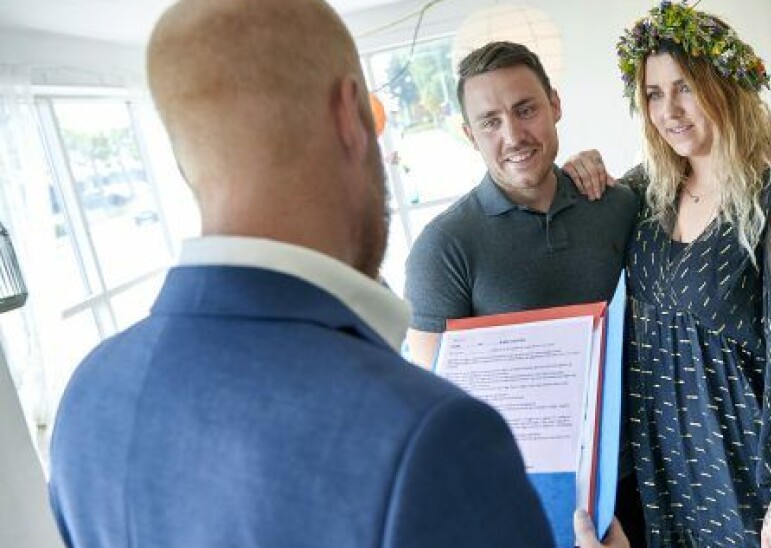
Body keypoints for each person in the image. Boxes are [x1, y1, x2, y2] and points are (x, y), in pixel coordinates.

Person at [47, 2, 625, 547]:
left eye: (525, 110)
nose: (513, 133)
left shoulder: (86, 401)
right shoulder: (433, 435)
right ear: (352, 116)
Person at [565, 2, 771, 546]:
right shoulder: (647, 190)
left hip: (770, 474)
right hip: (682, 474)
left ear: (725, 82)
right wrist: (580, 168)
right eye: (653, 93)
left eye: (686, 86)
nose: (669, 109)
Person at [403, 41, 643, 543]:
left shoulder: (617, 205)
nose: (512, 135)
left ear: (555, 105)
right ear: (470, 135)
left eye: (525, 109)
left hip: (649, 475)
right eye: (490, 121)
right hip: (531, 501)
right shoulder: (444, 247)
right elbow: (436, 406)